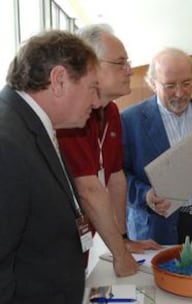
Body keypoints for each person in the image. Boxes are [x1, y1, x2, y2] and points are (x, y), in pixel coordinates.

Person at [0, 30, 100, 303]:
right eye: (92, 88)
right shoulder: (7, 142)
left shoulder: (30, 126)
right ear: (58, 80)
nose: (96, 102)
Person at [57, 24, 161, 278]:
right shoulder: (70, 115)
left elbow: (115, 178)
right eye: (120, 62)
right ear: (90, 65)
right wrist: (120, 255)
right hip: (56, 238)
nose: (129, 70)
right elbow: (89, 190)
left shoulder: (112, 111)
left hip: (85, 239)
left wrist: (123, 239)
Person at [122, 47, 192, 245]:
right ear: (153, 84)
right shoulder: (130, 121)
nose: (180, 93)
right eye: (170, 86)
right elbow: (119, 176)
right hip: (155, 229)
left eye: (187, 83)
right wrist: (145, 195)